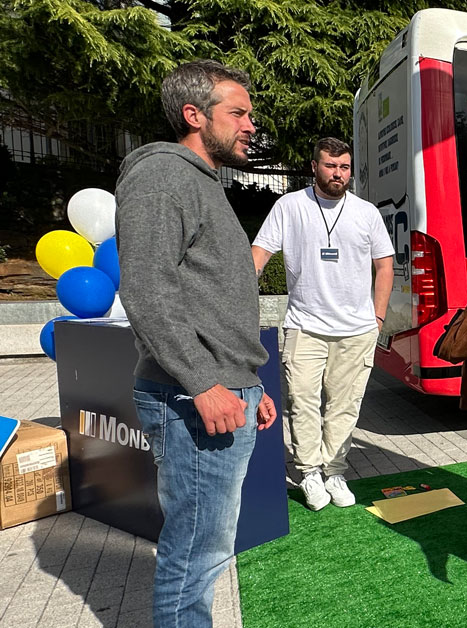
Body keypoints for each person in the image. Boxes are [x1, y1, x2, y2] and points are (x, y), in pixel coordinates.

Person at [115, 59, 277, 628]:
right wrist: (206, 382)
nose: (250, 125)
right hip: (189, 398)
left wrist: (246, 380)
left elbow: (205, 296)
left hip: (218, 386)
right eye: (238, 113)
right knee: (196, 548)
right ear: (194, 115)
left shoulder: (199, 180)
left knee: (208, 541)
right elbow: (147, 290)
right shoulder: (163, 177)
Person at [251, 137, 395, 510]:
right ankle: (309, 472)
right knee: (301, 403)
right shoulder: (290, 206)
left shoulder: (366, 213)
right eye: (331, 166)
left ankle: (334, 471)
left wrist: (377, 318)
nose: (338, 174)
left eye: (344, 167)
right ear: (314, 166)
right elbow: (260, 254)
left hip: (358, 329)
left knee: (345, 406)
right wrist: (238, 289)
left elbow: (384, 267)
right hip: (304, 326)